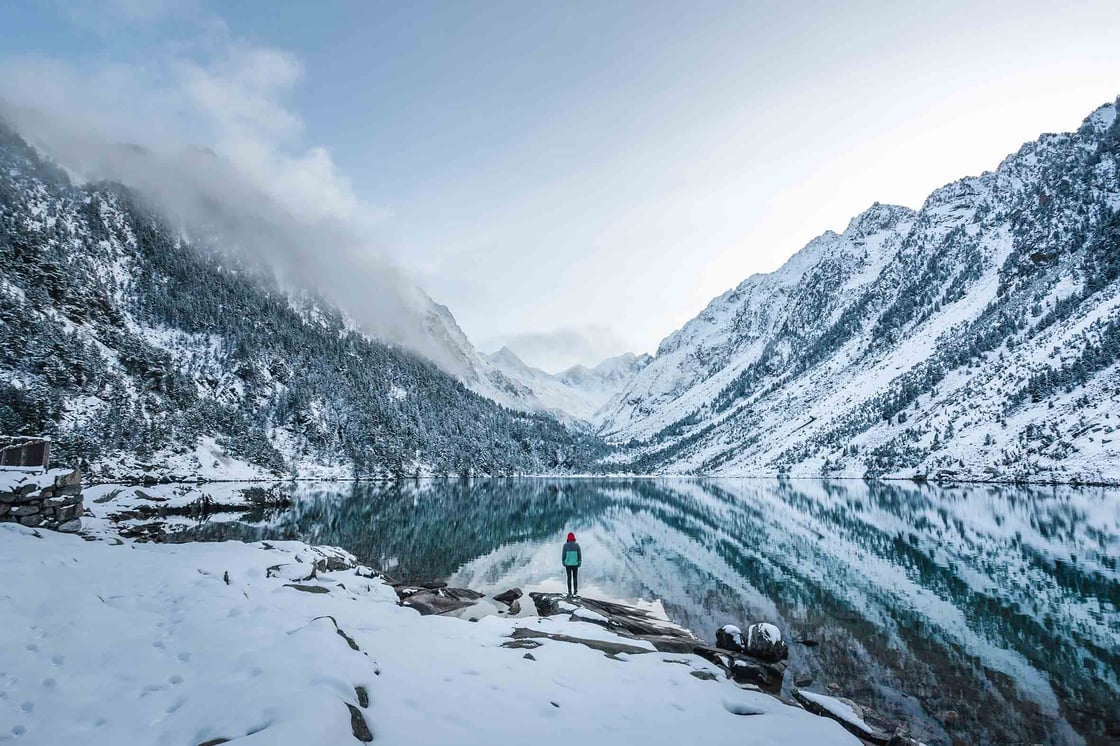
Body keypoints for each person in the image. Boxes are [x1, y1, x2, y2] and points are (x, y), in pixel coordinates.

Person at [562, 531, 581, 596]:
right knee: (575, 577)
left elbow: (563, 555)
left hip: (568, 564)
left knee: (569, 577)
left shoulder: (565, 545)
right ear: (574, 538)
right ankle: (575, 591)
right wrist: (579, 562)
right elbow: (579, 554)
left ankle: (569, 592)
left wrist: (563, 562)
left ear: (568, 538)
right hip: (575, 564)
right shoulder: (577, 545)